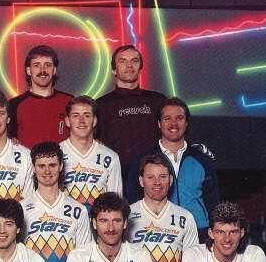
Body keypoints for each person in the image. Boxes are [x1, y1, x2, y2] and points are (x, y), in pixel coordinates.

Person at [124, 97, 219, 240]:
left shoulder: (202, 160)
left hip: (199, 232)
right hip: (155, 233)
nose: (173, 123)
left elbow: (213, 201)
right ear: (159, 123)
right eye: (167, 118)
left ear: (186, 123)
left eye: (179, 118)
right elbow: (132, 197)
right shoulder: (144, 158)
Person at [22, 142, 91, 262]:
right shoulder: (22, 208)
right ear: (33, 168)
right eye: (41, 166)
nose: (47, 171)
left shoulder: (78, 210)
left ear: (60, 167)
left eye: (52, 165)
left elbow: (85, 256)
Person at [128, 154, 199, 262]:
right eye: (150, 177)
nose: (157, 182)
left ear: (171, 180)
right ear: (141, 181)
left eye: (162, 177)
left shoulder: (185, 217)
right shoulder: (128, 215)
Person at [96, 45, 165, 175]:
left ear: (140, 68)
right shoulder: (101, 105)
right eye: (122, 61)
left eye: (134, 61)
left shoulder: (158, 101)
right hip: (116, 174)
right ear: (114, 69)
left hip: (153, 175)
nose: (129, 65)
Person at [60, 95, 122, 209]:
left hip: (99, 219)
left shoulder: (110, 157)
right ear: (67, 121)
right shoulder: (57, 154)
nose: (81, 121)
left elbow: (116, 203)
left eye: (87, 115)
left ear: (94, 121)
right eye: (75, 116)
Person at [7, 45, 72, 148]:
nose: (43, 70)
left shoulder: (69, 102)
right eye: (36, 65)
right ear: (28, 71)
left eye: (48, 65)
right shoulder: (14, 105)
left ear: (54, 70)